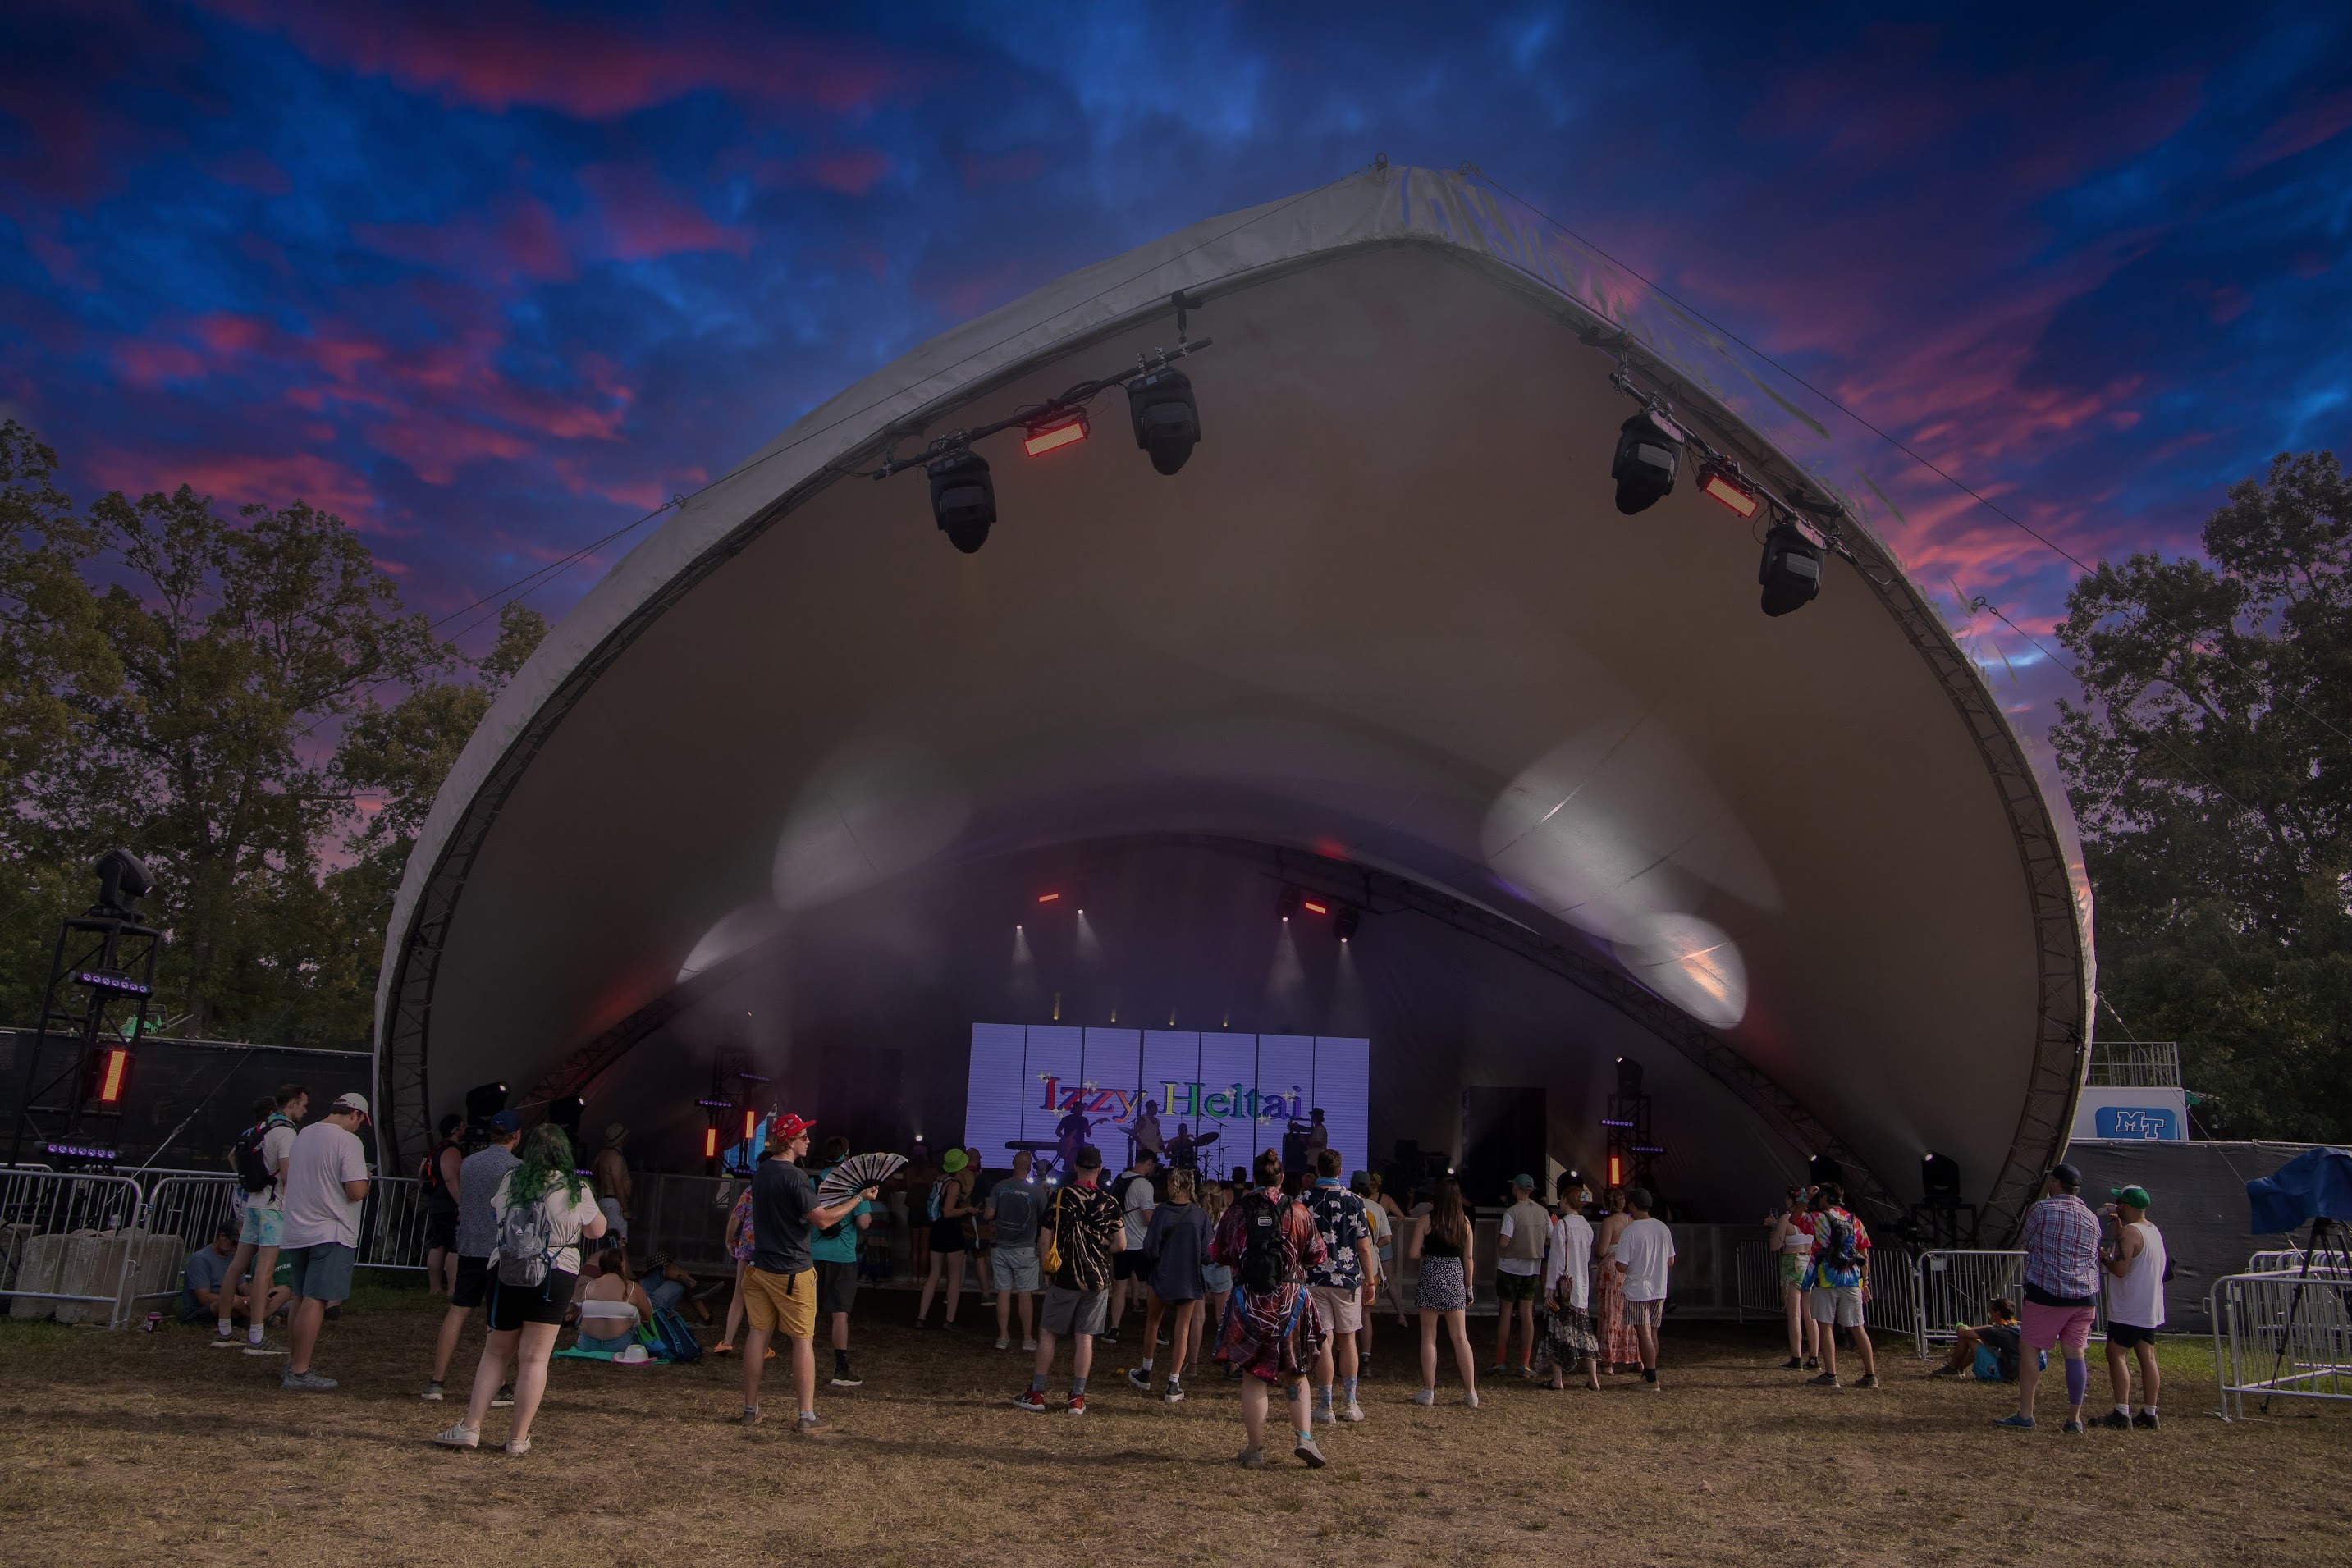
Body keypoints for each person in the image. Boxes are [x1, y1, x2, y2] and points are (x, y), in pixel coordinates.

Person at [432, 1123, 606, 1453]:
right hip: (555, 1274)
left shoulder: (512, 1180)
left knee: (495, 1352)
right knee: (535, 1360)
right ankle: (517, 1438)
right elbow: (597, 1230)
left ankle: (470, 1428)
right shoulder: (574, 1186)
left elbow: (496, 1213)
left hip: (508, 1270)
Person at [735, 1113, 877, 1432]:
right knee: (803, 1341)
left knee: (758, 1335)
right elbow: (823, 1220)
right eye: (803, 1136)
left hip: (759, 1268)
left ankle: (749, 1408)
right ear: (790, 1141)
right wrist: (858, 1198)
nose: (808, 1141)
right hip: (791, 1270)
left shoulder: (762, 1173)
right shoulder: (794, 1176)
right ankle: (807, 1417)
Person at [1209, 1149, 1329, 1468]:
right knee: (1296, 1372)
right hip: (1292, 1299)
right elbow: (1318, 1254)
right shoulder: (1300, 1211)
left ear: (1255, 1177)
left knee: (1254, 1376)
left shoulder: (1236, 1212)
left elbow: (1218, 1252)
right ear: (1280, 1178)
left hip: (1250, 1301)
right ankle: (1305, 1437)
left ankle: (1255, 1449)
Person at [1996, 1163, 2103, 1434]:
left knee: (2029, 1347)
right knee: (2075, 1353)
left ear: (2055, 1183)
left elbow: (2028, 1243)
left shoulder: (2042, 1209)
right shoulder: (2091, 1217)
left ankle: (2026, 1414)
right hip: (2084, 1295)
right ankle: (2074, 1418)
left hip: (2047, 1292)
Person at [1016, 1143, 1122, 1415]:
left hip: (1064, 1275)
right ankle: (1077, 1397)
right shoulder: (1110, 1203)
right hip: (1097, 1279)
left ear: (1076, 1167)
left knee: (1048, 1332)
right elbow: (1121, 1245)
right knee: (1085, 1337)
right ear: (1099, 1169)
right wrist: (1099, 1249)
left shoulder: (1061, 1196)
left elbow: (1045, 1236)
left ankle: (1037, 1393)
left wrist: (1047, 1270)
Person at [424, 1109, 522, 1403]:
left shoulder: (469, 1164)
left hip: (469, 1247)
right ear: (516, 1135)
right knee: (496, 1320)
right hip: (499, 1251)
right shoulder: (518, 1168)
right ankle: (499, 1386)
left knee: (457, 1311)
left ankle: (436, 1382)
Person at [277, 1091, 371, 1392]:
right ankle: (301, 1372)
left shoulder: (303, 1134)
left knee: (300, 1297)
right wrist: (366, 1178)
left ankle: (294, 1363)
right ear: (355, 1114)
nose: (360, 1128)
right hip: (330, 1230)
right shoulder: (348, 1141)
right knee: (316, 1300)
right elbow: (356, 1191)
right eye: (361, 1122)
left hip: (297, 1228)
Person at [217, 1083, 305, 1351]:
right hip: (274, 1209)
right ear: (290, 1104)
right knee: (264, 1272)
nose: (305, 1110)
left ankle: (223, 1330)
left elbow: (236, 1157)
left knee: (236, 1267)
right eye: (303, 1105)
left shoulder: (261, 1128)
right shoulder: (286, 1133)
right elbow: (289, 1176)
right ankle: (256, 1335)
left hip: (254, 1203)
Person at [1299, 1147, 1376, 1424]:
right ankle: (1351, 1403)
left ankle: (1325, 1404)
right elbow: (1364, 1247)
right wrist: (1370, 1280)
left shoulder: (1303, 1200)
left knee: (1325, 1340)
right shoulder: (1355, 1201)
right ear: (1340, 1171)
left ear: (1318, 1170)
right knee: (1348, 1339)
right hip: (1346, 1280)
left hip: (1314, 1279)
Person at [1128, 1166, 1212, 1401]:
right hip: (1189, 1280)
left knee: (1153, 1322)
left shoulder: (1162, 1212)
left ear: (1170, 1185)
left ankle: (1145, 1372)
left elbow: (1149, 1247)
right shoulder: (1199, 1215)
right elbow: (1207, 1253)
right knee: (1182, 1329)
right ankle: (1173, 1383)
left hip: (1162, 1275)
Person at [2098, 1185, 2167, 1431]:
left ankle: (2121, 1411)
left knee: (2115, 1354)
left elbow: (2120, 1269)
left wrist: (2103, 1257)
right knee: (2147, 1357)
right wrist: (2118, 1226)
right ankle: (2150, 1412)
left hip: (2129, 1308)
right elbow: (2132, 1248)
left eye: (2118, 1202)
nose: (2115, 1205)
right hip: (2149, 1308)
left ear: (2126, 1205)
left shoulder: (2130, 1233)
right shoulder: (2151, 1230)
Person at [810, 1135, 876, 1387]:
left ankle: (803, 1360)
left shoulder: (813, 1181)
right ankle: (841, 1368)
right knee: (840, 1314)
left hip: (813, 1255)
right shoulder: (853, 1187)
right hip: (842, 1256)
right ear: (848, 1157)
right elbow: (864, 1223)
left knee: (807, 1312)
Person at [1409, 1175, 1479, 1407]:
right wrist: (1468, 1287)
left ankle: (1429, 1391)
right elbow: (1468, 1258)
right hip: (1455, 1278)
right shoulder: (1465, 1223)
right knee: (1460, 1337)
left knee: (1429, 1337)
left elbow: (1413, 1254)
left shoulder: (1426, 1221)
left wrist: (1424, 1249)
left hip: (1431, 1275)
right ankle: (1470, 1392)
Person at [1802, 1183, 1877, 1391]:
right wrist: (1865, 1283)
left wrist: (1805, 1198)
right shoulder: (1854, 1220)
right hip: (1852, 1278)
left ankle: (1831, 1375)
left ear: (1825, 1198)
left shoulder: (1818, 1218)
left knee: (1826, 1325)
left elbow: (1795, 1220)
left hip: (1827, 1279)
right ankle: (1871, 1376)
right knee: (1857, 1327)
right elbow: (1864, 1253)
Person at [1535, 1177, 1600, 1390]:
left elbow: (1555, 1259)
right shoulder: (1587, 1228)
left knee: (1557, 1331)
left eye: (1562, 1198)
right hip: (1580, 1286)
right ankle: (1593, 1378)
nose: (1560, 1202)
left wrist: (1549, 1289)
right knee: (1585, 1331)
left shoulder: (1562, 1225)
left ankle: (1558, 1380)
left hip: (1563, 1287)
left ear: (1567, 1201)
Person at [1613, 1187, 1675, 1391]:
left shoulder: (1630, 1231)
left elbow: (1621, 1265)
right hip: (1658, 1287)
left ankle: (1651, 1379)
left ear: (1632, 1205)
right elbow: (1671, 1260)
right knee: (1653, 1333)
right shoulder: (1663, 1228)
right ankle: (1649, 1372)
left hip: (1638, 1289)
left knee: (1644, 1334)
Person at [986, 1149, 1044, 1352]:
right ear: (1029, 1168)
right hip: (1026, 1250)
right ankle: (1027, 1339)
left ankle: (1003, 1337)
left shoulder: (1000, 1187)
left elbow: (988, 1214)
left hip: (1001, 1247)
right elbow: (1047, 1217)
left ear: (1013, 1164)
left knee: (1003, 1292)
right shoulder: (1036, 1192)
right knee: (1025, 1294)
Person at [184, 1218, 288, 1326]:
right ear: (222, 1236)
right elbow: (204, 1298)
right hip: (206, 1310)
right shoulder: (200, 1259)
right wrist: (245, 1300)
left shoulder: (232, 1257)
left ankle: (254, 1319)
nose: (236, 1247)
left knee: (283, 1290)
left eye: (241, 1244)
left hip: (236, 1305)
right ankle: (255, 1320)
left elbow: (243, 1287)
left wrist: (259, 1296)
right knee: (233, 1300)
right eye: (234, 1242)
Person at [1493, 1173, 1548, 1378]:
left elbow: (1504, 1242)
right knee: (1527, 1313)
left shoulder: (1512, 1212)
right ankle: (1525, 1363)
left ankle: (1500, 1361)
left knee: (1506, 1312)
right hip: (1532, 1268)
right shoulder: (1543, 1213)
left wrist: (1499, 1238)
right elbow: (1550, 1237)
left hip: (1509, 1267)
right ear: (1531, 1191)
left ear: (1516, 1189)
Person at [914, 1147, 974, 1330]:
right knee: (954, 1276)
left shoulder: (938, 1181)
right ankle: (949, 1320)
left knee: (934, 1275)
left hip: (936, 1230)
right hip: (951, 1231)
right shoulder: (955, 1184)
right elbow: (948, 1212)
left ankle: (921, 1317)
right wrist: (967, 1210)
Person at [1105, 1148, 1159, 1344]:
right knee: (1153, 1287)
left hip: (1120, 1243)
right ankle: (1155, 1329)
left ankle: (1114, 1329)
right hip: (1139, 1245)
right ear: (1148, 1163)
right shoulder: (1144, 1185)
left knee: (1119, 1287)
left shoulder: (1121, 1178)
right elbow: (1147, 1217)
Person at [1769, 1185, 1817, 1369]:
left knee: (1794, 1313)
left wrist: (1773, 1228)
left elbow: (1775, 1245)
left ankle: (1796, 1357)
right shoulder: (1811, 1219)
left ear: (1791, 1201)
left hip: (1793, 1263)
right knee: (1810, 1313)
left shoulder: (1786, 1219)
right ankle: (1814, 1357)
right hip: (1809, 1263)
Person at [1349, 1171, 1394, 1365]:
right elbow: (1388, 1238)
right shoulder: (1377, 1208)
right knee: (1366, 1313)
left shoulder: (1346, 1203)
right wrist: (1374, 1245)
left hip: (1347, 1264)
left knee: (1346, 1313)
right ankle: (1366, 1357)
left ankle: (1344, 1353)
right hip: (1371, 1267)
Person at [419, 1112, 465, 1298]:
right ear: (456, 1129)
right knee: (455, 1246)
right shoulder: (451, 1150)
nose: (464, 1129)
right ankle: (453, 1290)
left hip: (437, 1203)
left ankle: (435, 1288)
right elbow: (450, 1177)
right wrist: (461, 1204)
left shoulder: (435, 1149)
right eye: (462, 1125)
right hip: (449, 1205)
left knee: (438, 1244)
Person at [573, 1246, 653, 1352]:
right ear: (622, 1264)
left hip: (588, 1345)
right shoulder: (633, 1288)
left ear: (600, 1266)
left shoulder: (589, 1287)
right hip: (621, 1345)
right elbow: (650, 1317)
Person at [1594, 1188, 1636, 1373]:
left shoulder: (1609, 1222)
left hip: (1611, 1269)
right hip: (1629, 1270)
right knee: (1630, 1314)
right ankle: (1634, 1356)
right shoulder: (1633, 1222)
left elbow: (1602, 1251)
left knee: (1609, 1313)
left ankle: (1608, 1360)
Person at [1930, 1296, 2025, 1380]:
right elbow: (1988, 1330)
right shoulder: (2015, 1327)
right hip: (2019, 1374)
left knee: (1966, 1338)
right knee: (1980, 1341)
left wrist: (1960, 1325)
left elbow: (1961, 1333)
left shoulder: (1994, 1331)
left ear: (1998, 1312)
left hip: (2002, 1374)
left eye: (1991, 1310)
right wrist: (1973, 1329)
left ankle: (1952, 1367)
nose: (1989, 1313)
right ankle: (1959, 1369)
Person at [714, 1179, 758, 1356]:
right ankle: (760, 1346)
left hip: (748, 1247)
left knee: (739, 1294)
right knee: (765, 1300)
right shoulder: (782, 1187)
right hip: (771, 1250)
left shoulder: (751, 1190)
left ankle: (727, 1341)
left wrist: (728, 1240)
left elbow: (735, 1217)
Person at [1196, 1181, 1235, 1374]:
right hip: (1220, 1266)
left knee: (1197, 1318)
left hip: (1198, 1266)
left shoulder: (1195, 1215)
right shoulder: (1226, 1217)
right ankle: (1230, 1361)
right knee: (1224, 1317)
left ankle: (1192, 1364)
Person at [593, 1123, 633, 1247]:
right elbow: (618, 1185)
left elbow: (594, 1170)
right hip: (614, 1202)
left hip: (605, 1199)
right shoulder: (616, 1158)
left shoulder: (602, 1155)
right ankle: (619, 1266)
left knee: (607, 1240)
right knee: (618, 1241)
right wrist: (625, 1209)